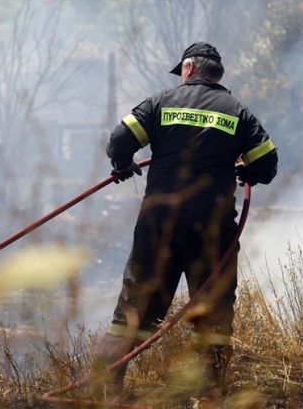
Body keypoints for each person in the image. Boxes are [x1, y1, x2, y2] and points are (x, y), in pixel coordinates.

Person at [95, 42, 278, 401]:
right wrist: (245, 170)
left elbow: (119, 141)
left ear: (189, 68)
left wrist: (122, 166)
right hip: (213, 231)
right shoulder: (238, 112)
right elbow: (267, 166)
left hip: (157, 226)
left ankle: (106, 390)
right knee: (212, 313)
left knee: (134, 309)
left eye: (181, 70)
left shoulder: (160, 103)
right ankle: (208, 395)